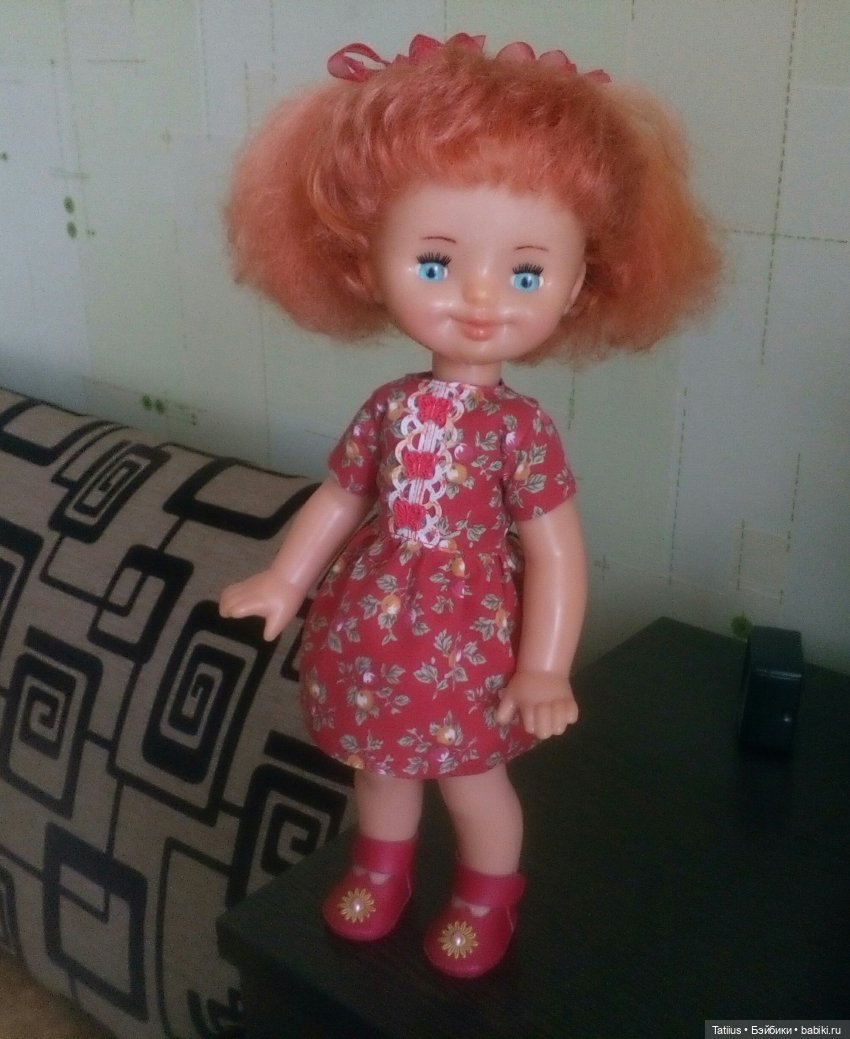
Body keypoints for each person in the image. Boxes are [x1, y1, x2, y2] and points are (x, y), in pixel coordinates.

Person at [219, 33, 720, 978]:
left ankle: (488, 893)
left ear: (576, 284)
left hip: (472, 643)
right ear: (365, 263)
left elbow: (557, 550)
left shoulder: (520, 430)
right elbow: (342, 494)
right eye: (436, 261)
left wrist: (545, 666)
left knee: (472, 778)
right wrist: (285, 578)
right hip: (374, 628)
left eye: (526, 273)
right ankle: (382, 867)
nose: (482, 297)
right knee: (381, 767)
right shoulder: (389, 407)